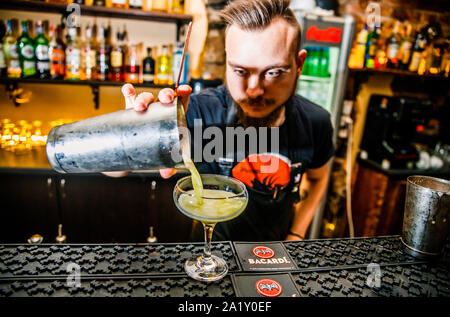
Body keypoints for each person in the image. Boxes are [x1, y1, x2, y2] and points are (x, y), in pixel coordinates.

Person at [106, 0, 334, 242]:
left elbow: (318, 179)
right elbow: (114, 170)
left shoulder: (315, 122)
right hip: (209, 255)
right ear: (227, 61)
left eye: (273, 72)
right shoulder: (199, 112)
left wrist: (296, 234)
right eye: (240, 71)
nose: (254, 90)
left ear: (299, 64)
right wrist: (129, 135)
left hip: (277, 254)